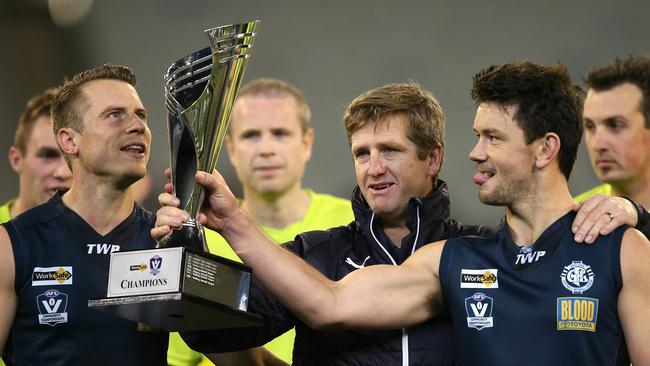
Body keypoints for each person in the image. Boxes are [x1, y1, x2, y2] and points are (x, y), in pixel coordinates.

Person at [156, 79, 646, 365]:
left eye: (389, 150)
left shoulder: (474, 253)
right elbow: (217, 332)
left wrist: (637, 214)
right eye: (361, 153)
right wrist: (180, 253)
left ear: (432, 159)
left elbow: (557, 250)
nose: (373, 168)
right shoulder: (314, 254)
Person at [168, 79, 353, 365]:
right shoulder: (199, 236)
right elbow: (181, 358)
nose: (266, 149)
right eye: (251, 135)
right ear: (230, 149)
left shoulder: (354, 224)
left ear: (306, 144)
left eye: (280, 134)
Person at [0, 65, 169, 364]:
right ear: (69, 141)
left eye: (140, 115)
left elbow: (243, 361)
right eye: (115, 114)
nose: (137, 126)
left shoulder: (165, 241)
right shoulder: (12, 245)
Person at [576, 56, 650, 234]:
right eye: (590, 126)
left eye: (615, 125)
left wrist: (640, 219)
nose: (597, 143)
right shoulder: (576, 214)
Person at [0, 87, 72, 222]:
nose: (64, 172)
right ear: (17, 160)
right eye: (48, 155)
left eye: (75, 157)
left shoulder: (110, 237)